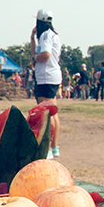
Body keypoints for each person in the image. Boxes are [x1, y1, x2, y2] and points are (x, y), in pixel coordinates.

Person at [30, 9, 62, 159]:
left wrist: (36, 58)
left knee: (46, 114)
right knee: (53, 112)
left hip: (45, 77)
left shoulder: (45, 35)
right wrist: (32, 39)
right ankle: (55, 147)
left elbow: (45, 54)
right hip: (52, 75)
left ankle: (48, 147)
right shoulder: (54, 35)